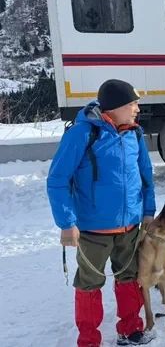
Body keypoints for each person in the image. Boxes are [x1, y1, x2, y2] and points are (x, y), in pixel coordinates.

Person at [47, 79, 155, 347]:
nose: (137, 109)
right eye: (132, 103)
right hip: (93, 229)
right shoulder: (83, 133)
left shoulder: (135, 133)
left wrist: (148, 211)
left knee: (129, 278)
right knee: (89, 285)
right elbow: (58, 179)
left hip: (129, 228)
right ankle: (88, 340)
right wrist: (66, 223)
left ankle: (130, 330)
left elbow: (145, 176)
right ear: (116, 106)